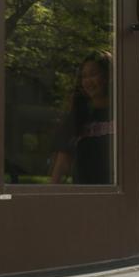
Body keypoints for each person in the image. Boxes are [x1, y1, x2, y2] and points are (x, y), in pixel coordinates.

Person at [51, 51, 114, 184]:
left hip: (117, 198)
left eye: (93, 74)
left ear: (109, 76)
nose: (87, 81)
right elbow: (62, 165)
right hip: (84, 198)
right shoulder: (78, 117)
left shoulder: (124, 114)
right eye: (84, 76)